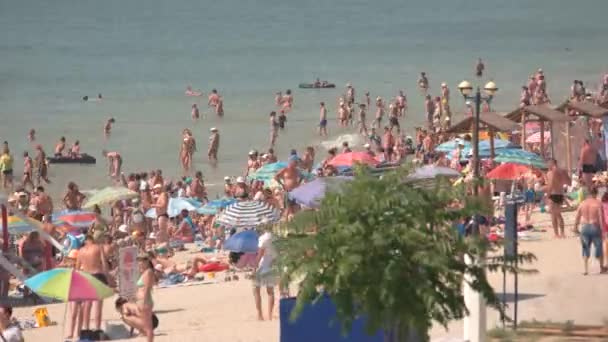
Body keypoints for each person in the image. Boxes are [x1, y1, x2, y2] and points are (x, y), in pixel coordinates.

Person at [76, 234, 109, 332]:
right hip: (98, 275)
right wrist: (107, 278)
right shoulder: (98, 247)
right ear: (92, 239)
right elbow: (104, 263)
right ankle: (98, 328)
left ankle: (86, 328)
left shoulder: (81, 251)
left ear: (85, 241)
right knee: (98, 305)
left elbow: (77, 268)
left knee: (87, 304)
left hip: (86, 276)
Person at [574, 187, 605, 275]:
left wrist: (575, 227)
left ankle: (586, 270)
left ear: (588, 194)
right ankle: (601, 267)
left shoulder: (582, 203)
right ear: (596, 193)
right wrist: (603, 231)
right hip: (595, 227)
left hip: (584, 227)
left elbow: (577, 217)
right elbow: (601, 218)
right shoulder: (598, 203)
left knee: (585, 248)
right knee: (599, 248)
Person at [253, 226, 277, 321]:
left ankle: (260, 315)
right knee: (270, 292)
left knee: (256, 289)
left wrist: (254, 267)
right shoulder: (276, 237)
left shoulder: (263, 238)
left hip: (263, 266)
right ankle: (270, 315)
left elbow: (260, 254)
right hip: (273, 265)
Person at [545, 159, 571, 238]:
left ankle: (556, 234)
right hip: (560, 194)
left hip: (553, 194)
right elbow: (569, 183)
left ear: (551, 163)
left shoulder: (550, 172)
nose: (547, 166)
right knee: (559, 214)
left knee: (553, 215)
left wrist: (547, 196)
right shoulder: (563, 171)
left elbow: (551, 184)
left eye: (548, 164)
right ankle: (562, 233)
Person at [135, 255, 155, 342]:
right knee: (145, 325)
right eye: (139, 261)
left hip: (145, 300)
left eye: (142, 261)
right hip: (141, 300)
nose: (140, 263)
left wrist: (144, 301)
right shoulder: (144, 272)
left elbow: (147, 288)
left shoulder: (148, 272)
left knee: (148, 326)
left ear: (147, 262)